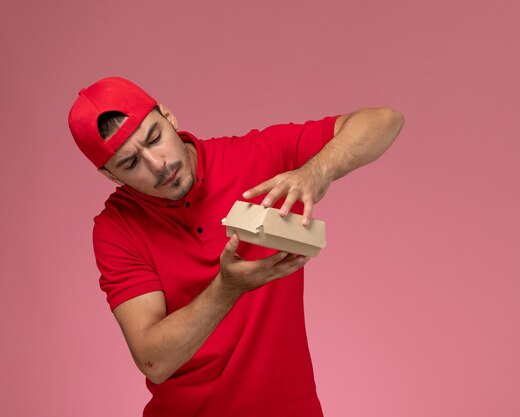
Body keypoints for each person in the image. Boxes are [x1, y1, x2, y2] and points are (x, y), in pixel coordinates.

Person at [68, 76, 404, 417]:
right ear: (111, 176)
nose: (158, 165)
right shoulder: (116, 228)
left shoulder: (255, 155)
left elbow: (385, 121)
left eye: (154, 139)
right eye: (129, 163)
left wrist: (315, 173)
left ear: (169, 118)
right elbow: (154, 360)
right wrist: (226, 288)